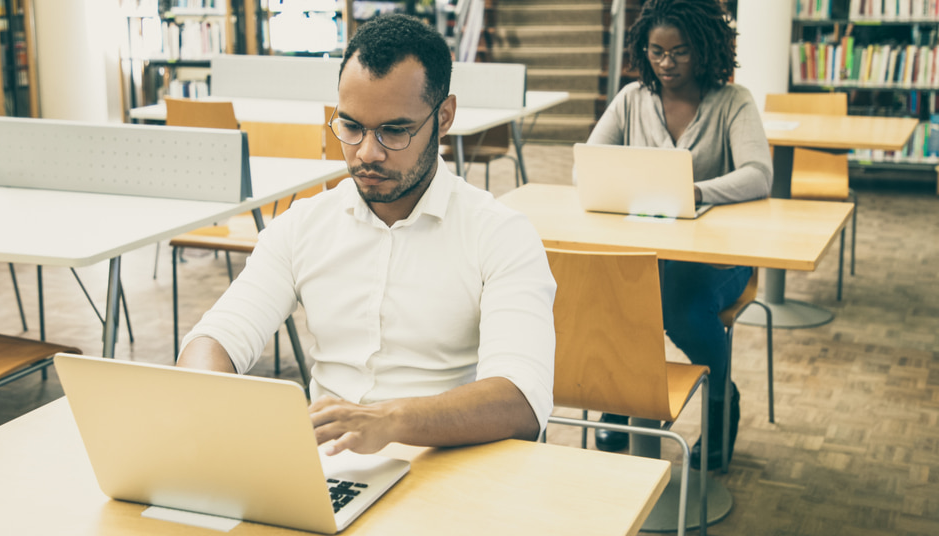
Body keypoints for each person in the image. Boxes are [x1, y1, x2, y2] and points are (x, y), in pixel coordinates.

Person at [176, 14, 556, 457]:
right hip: (326, 469)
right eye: (352, 127)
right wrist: (205, 394)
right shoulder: (303, 225)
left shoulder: (500, 235)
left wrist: (389, 421)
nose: (367, 153)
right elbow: (216, 337)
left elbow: (521, 402)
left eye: (394, 131)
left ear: (444, 117)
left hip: (448, 465)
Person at [583, 0, 771, 470]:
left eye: (680, 52)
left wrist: (694, 191)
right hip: (644, 253)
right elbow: (591, 160)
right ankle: (625, 399)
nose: (666, 63)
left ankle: (720, 402)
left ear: (705, 50)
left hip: (719, 259)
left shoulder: (734, 101)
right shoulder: (631, 100)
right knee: (616, 294)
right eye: (656, 51)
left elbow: (758, 175)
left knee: (680, 303)